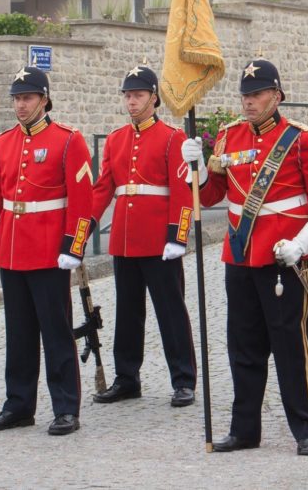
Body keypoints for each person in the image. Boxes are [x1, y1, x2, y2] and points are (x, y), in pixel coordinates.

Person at [180, 58, 308, 456]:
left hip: (284, 258)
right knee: (243, 348)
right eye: (244, 95)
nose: (248, 102)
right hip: (240, 255)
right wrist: (196, 168)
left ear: (277, 95)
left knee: (290, 346)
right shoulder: (229, 136)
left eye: (257, 94)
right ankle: (244, 429)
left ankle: (306, 429)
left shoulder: (300, 139)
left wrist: (303, 244)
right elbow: (213, 194)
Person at [0, 66, 93, 436]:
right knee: (18, 333)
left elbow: (83, 200)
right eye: (16, 98)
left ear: (44, 100)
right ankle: (18, 405)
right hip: (13, 252)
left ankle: (66, 407)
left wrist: (74, 245)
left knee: (56, 330)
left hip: (50, 252)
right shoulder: (3, 142)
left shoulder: (68, 140)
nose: (20, 105)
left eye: (27, 98)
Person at [90, 61, 197, 407]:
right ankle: (127, 377)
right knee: (127, 312)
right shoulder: (117, 140)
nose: (131, 102)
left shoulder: (171, 138)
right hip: (124, 238)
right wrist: (80, 233)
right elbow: (102, 189)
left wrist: (177, 237)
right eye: (127, 96)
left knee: (170, 311)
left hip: (158, 241)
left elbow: (181, 192)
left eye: (137, 95)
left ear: (154, 98)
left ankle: (183, 379)